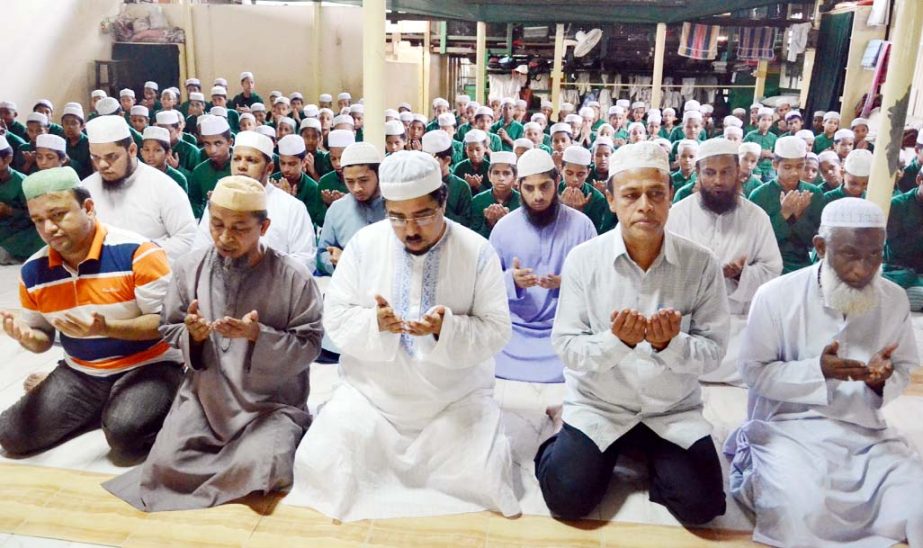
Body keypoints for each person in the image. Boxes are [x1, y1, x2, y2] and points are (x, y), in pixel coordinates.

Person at [289, 150, 520, 521]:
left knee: (483, 472)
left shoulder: (477, 251)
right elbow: (335, 316)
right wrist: (374, 324)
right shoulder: (364, 246)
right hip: (373, 394)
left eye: (422, 216)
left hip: (452, 398)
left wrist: (448, 329)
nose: (409, 230)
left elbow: (497, 330)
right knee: (326, 461)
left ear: (442, 202)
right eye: (396, 217)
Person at [536, 141, 729, 523]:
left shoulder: (701, 264)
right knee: (567, 500)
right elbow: (567, 346)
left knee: (704, 508)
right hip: (600, 406)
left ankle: (646, 455)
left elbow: (714, 351)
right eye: (631, 195)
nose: (645, 205)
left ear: (671, 198)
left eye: (656, 194)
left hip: (669, 409)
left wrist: (669, 344)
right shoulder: (584, 261)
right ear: (610, 200)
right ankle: (560, 430)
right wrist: (617, 342)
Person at [104, 176, 322, 511]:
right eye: (217, 224)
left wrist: (257, 336)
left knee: (265, 466)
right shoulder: (189, 268)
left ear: (263, 227)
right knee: (163, 467)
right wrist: (193, 335)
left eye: (239, 228)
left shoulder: (294, 277)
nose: (224, 237)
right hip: (207, 399)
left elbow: (309, 345)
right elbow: (169, 326)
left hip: (270, 405)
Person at [725, 198, 923, 547]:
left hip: (867, 436)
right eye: (850, 255)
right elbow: (753, 372)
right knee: (801, 513)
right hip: (788, 429)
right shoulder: (775, 296)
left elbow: (904, 366)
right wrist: (817, 371)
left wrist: (881, 382)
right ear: (820, 247)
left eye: (874, 255)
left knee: (916, 504)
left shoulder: (893, 298)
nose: (864, 269)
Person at [0, 167, 183, 459]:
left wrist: (107, 328)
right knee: (10, 435)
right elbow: (43, 339)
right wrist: (25, 336)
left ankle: (153, 400)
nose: (49, 228)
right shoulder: (33, 270)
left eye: (58, 215)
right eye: (38, 220)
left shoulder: (138, 252)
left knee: (126, 437)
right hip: (82, 373)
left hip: (150, 365)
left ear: (88, 207)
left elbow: (167, 324)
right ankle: (107, 405)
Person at [667, 138, 782, 384]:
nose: (718, 180)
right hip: (687, 322)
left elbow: (772, 271)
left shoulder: (756, 217)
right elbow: (661, 268)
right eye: (709, 172)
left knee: (759, 356)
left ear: (738, 173)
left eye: (726, 172)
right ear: (697, 173)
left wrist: (741, 275)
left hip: (735, 323)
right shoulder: (677, 214)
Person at [489, 149, 595, 383]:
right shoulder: (503, 228)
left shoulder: (582, 226)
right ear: (519, 187)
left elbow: (597, 283)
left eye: (545, 186)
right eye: (529, 188)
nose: (538, 196)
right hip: (516, 331)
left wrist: (566, 283)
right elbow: (486, 287)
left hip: (566, 328)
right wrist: (512, 281)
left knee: (584, 363)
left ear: (556, 182)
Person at [81, 115, 196, 263]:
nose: (102, 165)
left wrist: (138, 254)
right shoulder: (86, 189)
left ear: (132, 150)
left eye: (111, 157)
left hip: (150, 279)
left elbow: (187, 239)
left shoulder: (163, 186)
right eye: (96, 158)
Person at [194, 131, 315, 271]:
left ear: (269, 168)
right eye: (237, 159)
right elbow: (200, 252)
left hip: (274, 287)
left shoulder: (292, 208)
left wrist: (261, 276)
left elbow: (304, 260)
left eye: (251, 160)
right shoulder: (219, 201)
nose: (241, 166)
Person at [749, 136, 824, 273]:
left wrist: (798, 216)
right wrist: (784, 215)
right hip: (766, 264)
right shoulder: (759, 195)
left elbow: (812, 242)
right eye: (787, 167)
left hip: (802, 265)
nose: (794, 172)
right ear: (775, 165)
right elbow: (755, 242)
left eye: (800, 166)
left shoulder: (814, 194)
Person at [317, 142, 385, 275]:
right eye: (350, 181)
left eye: (364, 180)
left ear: (378, 174)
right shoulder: (337, 209)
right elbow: (321, 254)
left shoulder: (395, 207)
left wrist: (348, 260)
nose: (357, 188)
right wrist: (336, 261)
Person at [0, 135, 43, 263]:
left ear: (8, 159)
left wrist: (9, 211)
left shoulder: (23, 182)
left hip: (18, 229)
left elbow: (35, 216)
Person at [270, 134, 323, 230]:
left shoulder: (313, 188)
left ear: (303, 162)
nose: (286, 169)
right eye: (282, 163)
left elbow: (305, 224)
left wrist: (290, 200)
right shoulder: (271, 182)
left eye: (291, 164)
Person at [421, 130, 472, 227]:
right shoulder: (418, 182)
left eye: (431, 160)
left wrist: (441, 211)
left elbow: (466, 222)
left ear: (447, 160)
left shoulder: (461, 187)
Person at [188, 116, 233, 219]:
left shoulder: (242, 167)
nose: (212, 150)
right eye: (207, 144)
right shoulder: (199, 172)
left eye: (218, 143)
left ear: (230, 142)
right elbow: (194, 204)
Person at [469, 151, 520, 238]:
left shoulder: (522, 201)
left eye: (506, 173)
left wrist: (507, 223)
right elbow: (474, 237)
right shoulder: (477, 201)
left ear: (514, 177)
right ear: (489, 176)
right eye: (496, 173)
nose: (501, 178)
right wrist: (489, 224)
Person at [140, 126, 189, 192]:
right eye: (147, 150)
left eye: (157, 150)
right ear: (141, 152)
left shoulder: (178, 179)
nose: (150, 155)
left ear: (168, 153)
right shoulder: (136, 176)